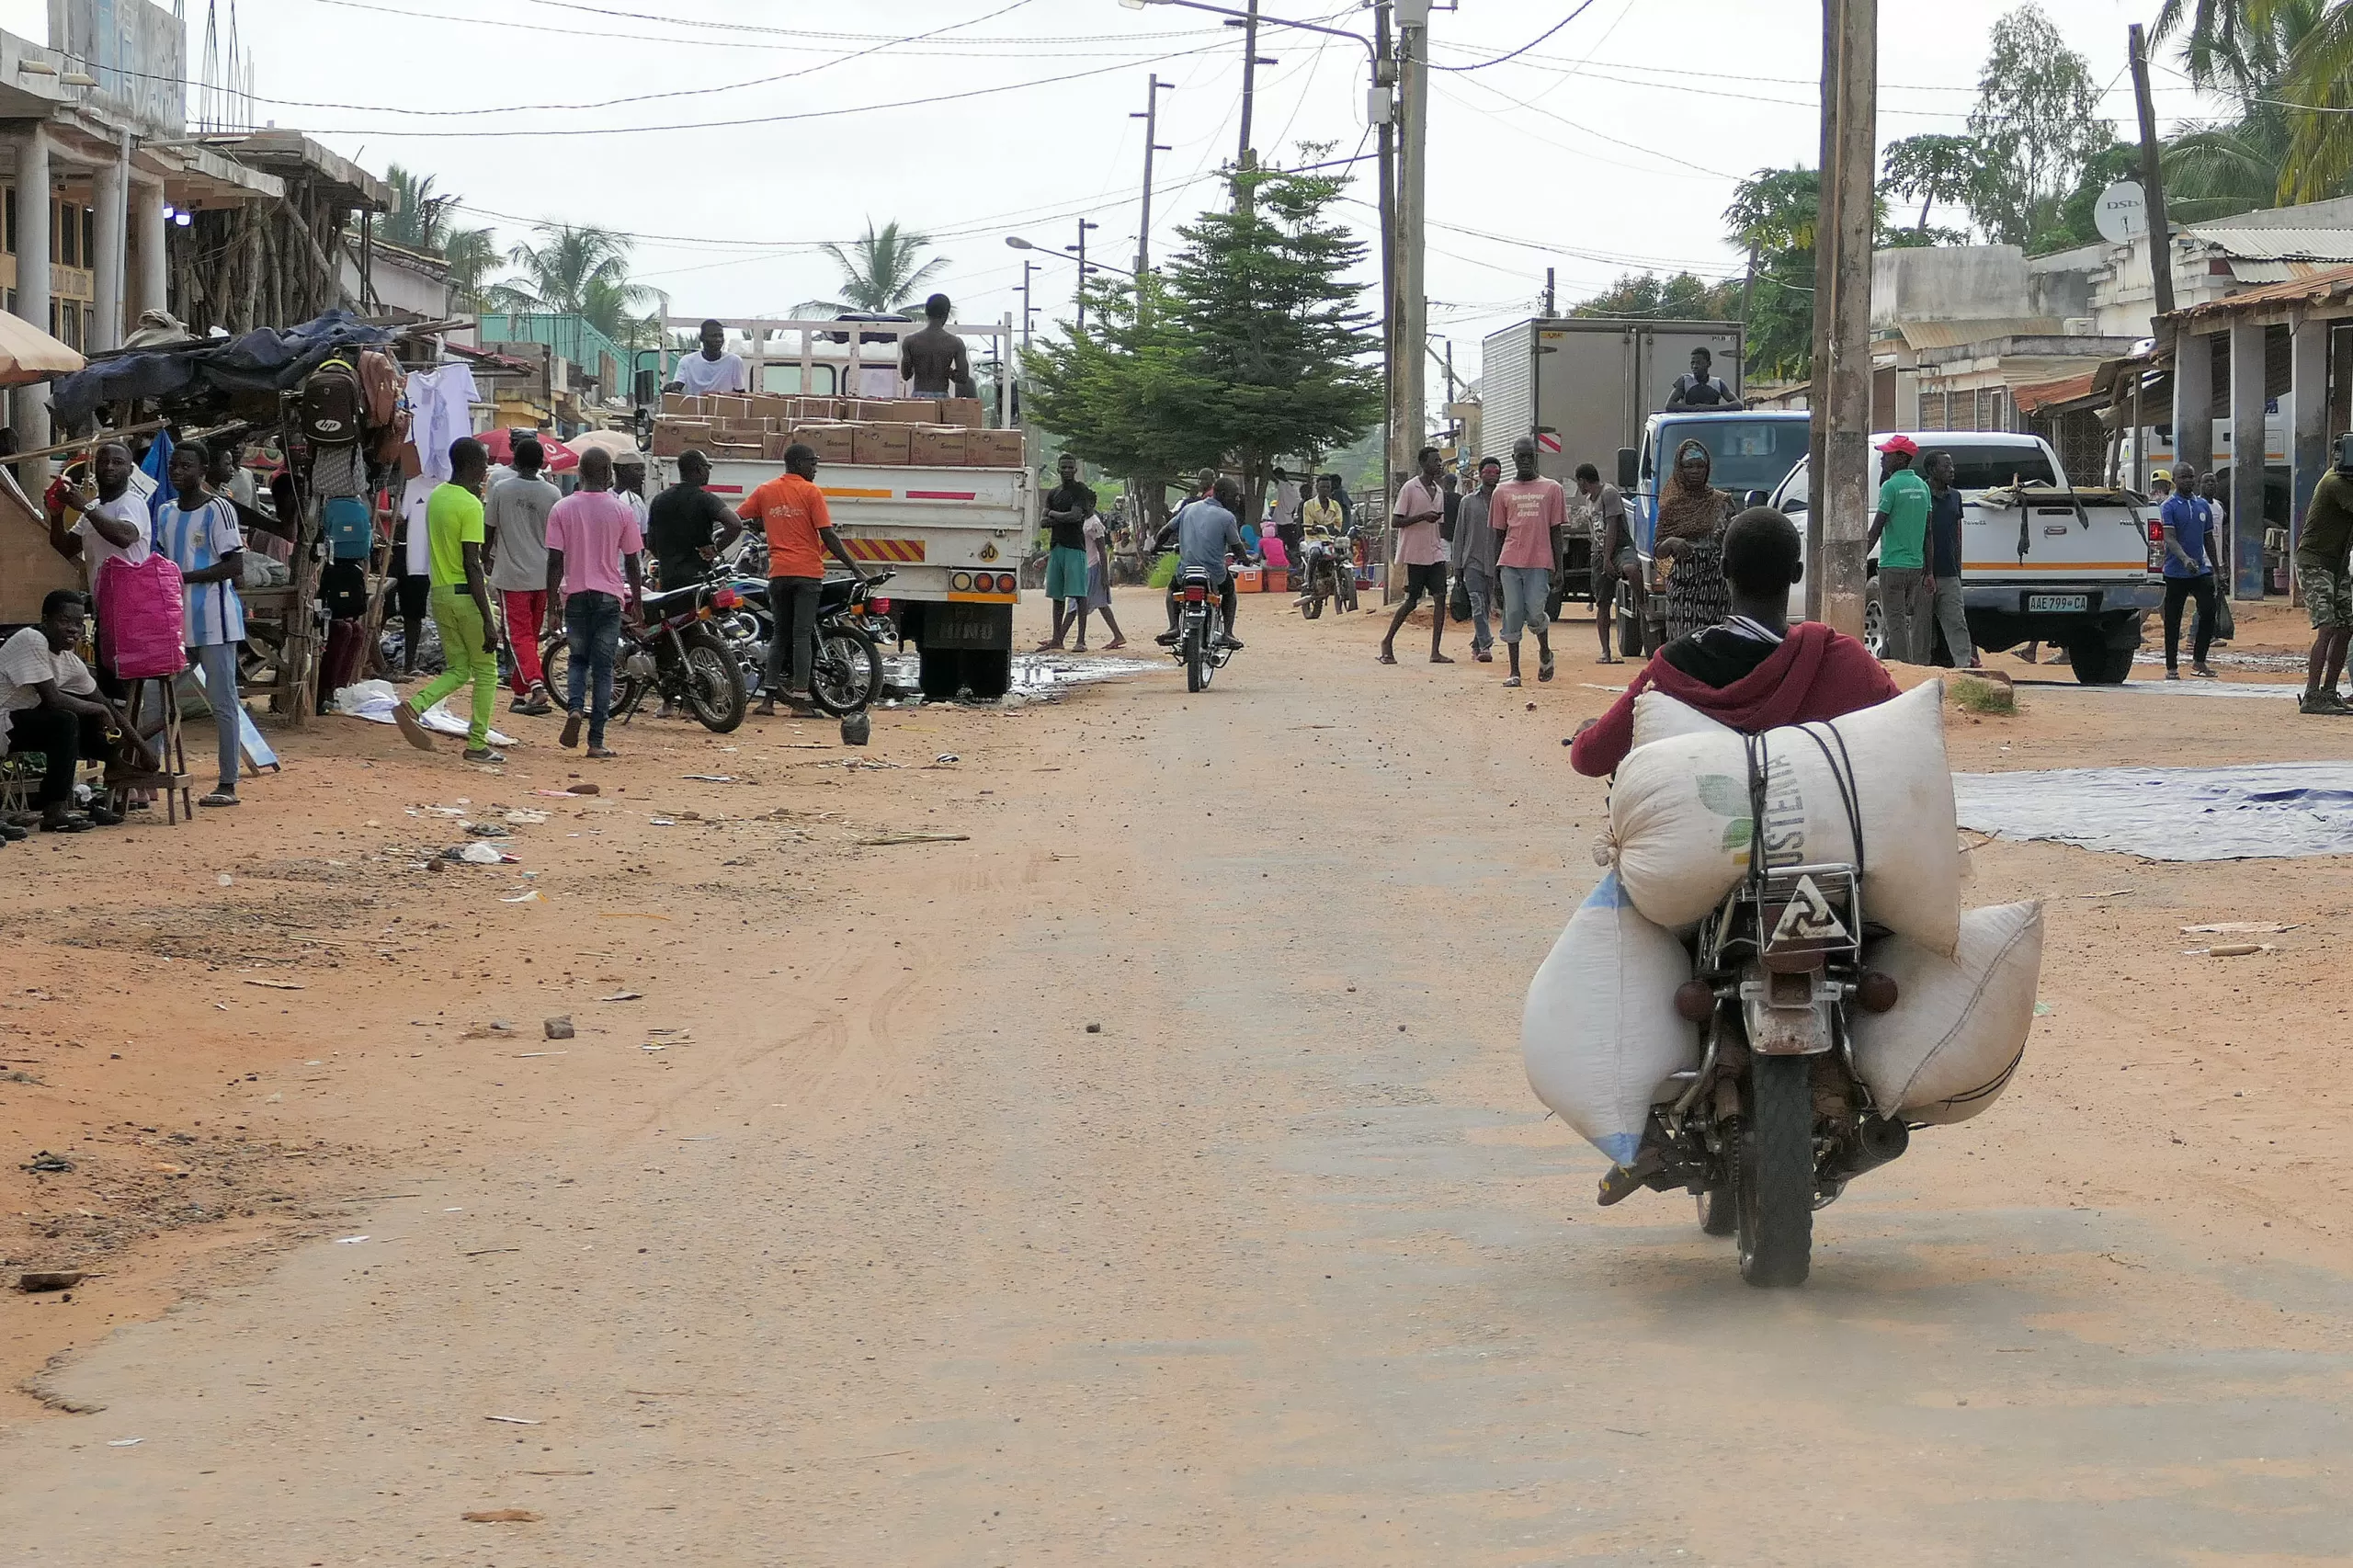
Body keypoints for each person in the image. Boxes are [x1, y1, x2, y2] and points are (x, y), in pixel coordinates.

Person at [1571, 506, 1901, 779]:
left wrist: (1589, 732)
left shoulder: (1673, 665)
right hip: (1822, 847)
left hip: (1704, 851)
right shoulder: (1842, 659)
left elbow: (1590, 759)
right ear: (1796, 573)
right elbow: (1903, 728)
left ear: (1724, 569)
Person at [391, 437, 505, 764]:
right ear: (471, 466)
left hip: (439, 592)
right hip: (465, 595)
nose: (485, 470)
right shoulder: (470, 506)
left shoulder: (438, 496)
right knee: (486, 670)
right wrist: (487, 618)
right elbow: (473, 562)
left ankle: (414, 705)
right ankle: (478, 742)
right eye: (483, 464)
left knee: (458, 668)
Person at [152, 440, 247, 808]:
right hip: (175, 622)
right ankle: (147, 775)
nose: (177, 471)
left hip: (215, 621)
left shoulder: (219, 510)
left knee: (223, 702)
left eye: (185, 466)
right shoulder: (166, 512)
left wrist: (181, 578)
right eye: (174, 465)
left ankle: (228, 783)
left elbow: (233, 566)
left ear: (202, 471)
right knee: (153, 700)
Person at [740, 441, 867, 718]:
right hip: (807, 574)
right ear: (798, 464)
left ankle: (768, 701)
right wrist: (855, 569)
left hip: (778, 575)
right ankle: (799, 701)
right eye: (812, 462)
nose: (815, 468)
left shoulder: (766, 490)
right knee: (801, 636)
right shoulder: (810, 492)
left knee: (779, 636)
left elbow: (737, 518)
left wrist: (761, 523)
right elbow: (828, 536)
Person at [0, 590, 139, 831]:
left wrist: (140, 749)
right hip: (2, 720)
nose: (73, 629)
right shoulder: (31, 639)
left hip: (15, 724)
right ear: (45, 620)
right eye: (64, 621)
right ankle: (54, 809)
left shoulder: (69, 660)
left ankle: (112, 767)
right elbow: (52, 699)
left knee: (87, 719)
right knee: (65, 720)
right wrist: (100, 711)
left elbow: (104, 704)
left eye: (78, 623)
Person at [542, 447, 646, 757]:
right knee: (604, 669)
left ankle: (574, 708)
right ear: (607, 475)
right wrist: (637, 603)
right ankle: (596, 741)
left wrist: (552, 607)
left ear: (581, 473)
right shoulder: (621, 511)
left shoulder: (561, 508)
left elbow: (554, 562)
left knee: (577, 660)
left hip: (574, 596)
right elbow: (632, 563)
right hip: (609, 598)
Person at [485, 434, 562, 716]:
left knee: (518, 636)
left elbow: (489, 530)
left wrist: (484, 561)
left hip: (512, 575)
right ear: (542, 463)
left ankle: (537, 687)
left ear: (514, 460)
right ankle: (520, 695)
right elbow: (557, 542)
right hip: (542, 575)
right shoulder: (553, 494)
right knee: (528, 635)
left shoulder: (501, 489)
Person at [45, 440, 149, 639]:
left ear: (130, 470)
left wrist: (86, 507)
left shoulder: (132, 503)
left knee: (126, 668)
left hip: (133, 608)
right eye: (104, 461)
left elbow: (124, 536)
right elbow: (65, 548)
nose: (109, 466)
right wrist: (56, 514)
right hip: (103, 606)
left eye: (118, 462)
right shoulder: (93, 508)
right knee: (107, 668)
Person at [1491, 436, 1565, 688]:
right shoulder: (1502, 492)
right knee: (1512, 614)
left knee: (1535, 612)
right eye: (1520, 456)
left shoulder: (1552, 489)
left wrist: (1558, 568)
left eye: (1529, 456)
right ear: (1512, 459)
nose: (1524, 461)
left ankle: (1545, 652)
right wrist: (1495, 573)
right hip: (1510, 562)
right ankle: (1514, 672)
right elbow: (1499, 535)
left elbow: (1556, 531)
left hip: (1539, 563)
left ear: (1535, 457)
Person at [1154, 474, 1253, 650]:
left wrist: (1155, 547)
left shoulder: (1188, 509)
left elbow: (1164, 532)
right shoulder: (1227, 517)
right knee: (1229, 592)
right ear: (1222, 494)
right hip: (1214, 575)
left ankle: (1174, 627)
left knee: (1172, 589)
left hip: (1186, 572)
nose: (1238, 499)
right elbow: (1237, 548)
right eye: (1235, 495)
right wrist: (1246, 560)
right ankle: (1228, 633)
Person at [1654, 438, 1735, 642]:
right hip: (1683, 588)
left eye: (1700, 466)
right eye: (1689, 466)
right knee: (1684, 643)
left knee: (1715, 644)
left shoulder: (1721, 501)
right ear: (1679, 469)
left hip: (1716, 589)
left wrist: (1726, 540)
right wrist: (1672, 542)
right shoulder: (1670, 506)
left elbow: (1735, 545)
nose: (1695, 471)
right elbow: (1659, 555)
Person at [2293, 437, 2353, 714]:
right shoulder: (2334, 483)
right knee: (2327, 627)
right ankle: (2311, 694)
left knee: (2345, 627)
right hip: (2315, 562)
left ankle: (2328, 692)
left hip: (2336, 565)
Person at [1379, 446, 1452, 665]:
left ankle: (1435, 651)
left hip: (1434, 552)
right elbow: (1396, 521)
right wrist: (1421, 517)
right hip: (1415, 553)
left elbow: (1438, 525)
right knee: (1411, 601)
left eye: (1440, 461)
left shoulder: (1438, 491)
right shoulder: (1410, 488)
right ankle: (1387, 641)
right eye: (1434, 461)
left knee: (1440, 598)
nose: (1439, 464)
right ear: (1423, 464)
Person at [1867, 435, 1932, 664]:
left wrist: (1859, 558)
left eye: (1888, 454)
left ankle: (1905, 669)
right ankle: (1885, 660)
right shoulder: (1923, 487)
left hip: (1892, 565)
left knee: (1895, 622)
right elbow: (1928, 533)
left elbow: (1877, 527)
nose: (1884, 459)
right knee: (1903, 621)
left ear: (1902, 458)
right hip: (1916, 567)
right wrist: (1929, 572)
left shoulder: (1891, 486)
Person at [2159, 459, 2221, 684]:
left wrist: (2216, 567)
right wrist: (2184, 559)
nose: (2188, 480)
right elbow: (2170, 538)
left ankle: (2199, 661)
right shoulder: (2168, 507)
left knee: (2209, 611)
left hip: (2199, 570)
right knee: (2173, 621)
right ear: (2174, 480)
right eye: (2183, 476)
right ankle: (2171, 667)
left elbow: (2208, 539)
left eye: (2191, 476)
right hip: (2175, 572)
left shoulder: (2202, 505)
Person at [646, 448, 742, 591]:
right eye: (707, 467)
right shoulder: (705, 499)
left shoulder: (659, 500)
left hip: (668, 582)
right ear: (699, 469)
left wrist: (669, 561)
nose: (708, 471)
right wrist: (716, 549)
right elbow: (735, 524)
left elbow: (650, 542)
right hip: (699, 581)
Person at [1923, 449, 1978, 669]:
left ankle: (1963, 665)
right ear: (1932, 470)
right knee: (1921, 626)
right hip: (1923, 572)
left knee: (1956, 622)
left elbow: (1957, 533)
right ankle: (1917, 666)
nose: (1952, 470)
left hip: (1949, 572)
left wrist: (1958, 570)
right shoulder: (1922, 493)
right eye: (1946, 467)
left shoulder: (1955, 496)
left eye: (1952, 466)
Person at [1574, 461, 1631, 664]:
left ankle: (1640, 604)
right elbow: (1595, 531)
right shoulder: (1590, 499)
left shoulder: (1609, 493)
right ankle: (1605, 652)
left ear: (1583, 481)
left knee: (1631, 569)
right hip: (1599, 553)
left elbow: (1612, 526)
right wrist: (1597, 557)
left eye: (1578, 482)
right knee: (1603, 604)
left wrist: (1608, 558)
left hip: (1618, 550)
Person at [1039, 454, 1095, 651]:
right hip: (1057, 547)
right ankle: (1057, 639)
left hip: (1075, 548)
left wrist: (1053, 514)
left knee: (1079, 594)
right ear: (1059, 469)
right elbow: (1042, 521)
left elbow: (1074, 516)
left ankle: (1081, 640)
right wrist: (1059, 517)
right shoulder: (1054, 493)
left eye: (1071, 467)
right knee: (1057, 596)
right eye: (1064, 467)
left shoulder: (1081, 491)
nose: (1068, 471)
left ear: (1076, 469)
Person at [1451, 457, 1502, 662]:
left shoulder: (1503, 500)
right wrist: (1457, 567)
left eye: (1495, 472)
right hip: (1471, 561)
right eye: (1488, 472)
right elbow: (1459, 534)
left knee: (1486, 605)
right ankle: (1486, 646)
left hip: (1496, 562)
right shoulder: (1468, 502)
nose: (1491, 475)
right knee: (1477, 603)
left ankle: (1476, 644)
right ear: (1480, 474)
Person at [899, 293, 975, 399]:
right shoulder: (955, 343)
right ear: (946, 314)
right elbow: (962, 378)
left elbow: (906, 375)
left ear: (926, 312)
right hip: (942, 399)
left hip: (918, 399)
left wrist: (917, 365)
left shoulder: (910, 341)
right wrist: (949, 372)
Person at [1078, 503, 1124, 651]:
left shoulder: (1094, 524)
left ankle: (1060, 638)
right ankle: (1118, 635)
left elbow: (1102, 552)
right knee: (1101, 604)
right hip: (1088, 566)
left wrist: (1105, 575)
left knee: (1076, 604)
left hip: (1093, 567)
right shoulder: (1086, 521)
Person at [667, 319, 746, 396]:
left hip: (723, 407)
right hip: (694, 407)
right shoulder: (687, 361)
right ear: (702, 338)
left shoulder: (734, 361)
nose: (718, 340)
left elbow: (740, 392)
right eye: (714, 336)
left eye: (721, 336)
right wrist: (670, 388)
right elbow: (677, 386)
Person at [1665, 347, 1737, 411]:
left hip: (1711, 423)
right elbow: (1669, 405)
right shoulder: (1684, 381)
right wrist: (1694, 408)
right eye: (1692, 363)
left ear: (1709, 364)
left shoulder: (1717, 383)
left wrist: (1710, 408)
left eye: (1698, 363)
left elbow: (1737, 404)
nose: (1694, 366)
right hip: (1689, 423)